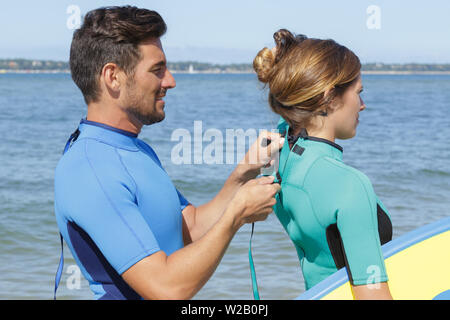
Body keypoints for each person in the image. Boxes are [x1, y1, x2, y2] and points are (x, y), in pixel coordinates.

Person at [54, 6, 283, 300]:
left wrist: (243, 174)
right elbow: (165, 288)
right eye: (157, 70)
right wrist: (237, 214)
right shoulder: (89, 169)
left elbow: (191, 228)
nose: (170, 81)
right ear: (113, 77)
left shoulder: (137, 149)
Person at [253, 29, 393, 299]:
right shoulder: (349, 185)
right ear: (329, 97)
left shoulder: (278, 152)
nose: (362, 105)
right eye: (358, 93)